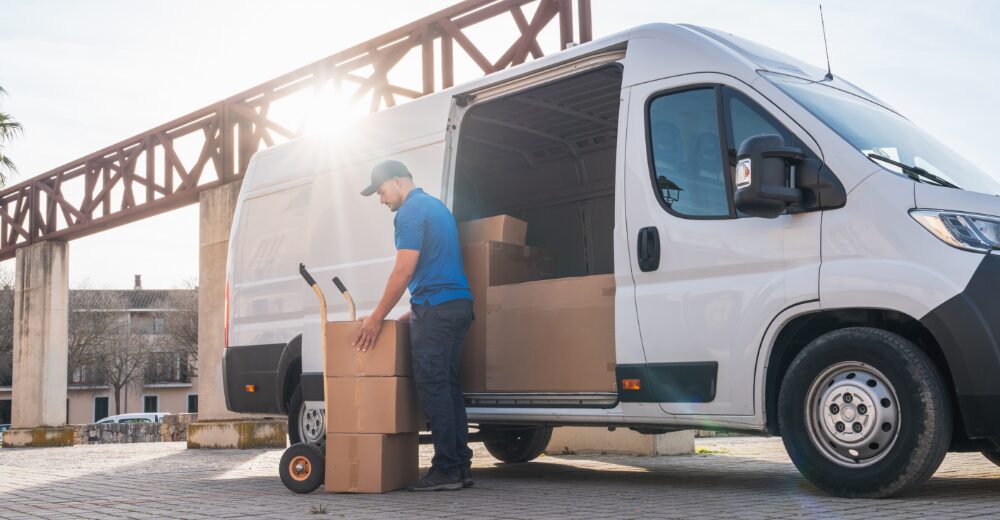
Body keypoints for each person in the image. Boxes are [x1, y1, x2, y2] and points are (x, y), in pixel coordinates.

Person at [355, 159, 475, 492]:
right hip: (456, 306)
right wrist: (414, 311)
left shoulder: (407, 213)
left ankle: (448, 469)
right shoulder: (436, 207)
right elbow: (437, 268)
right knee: (448, 388)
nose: (381, 200)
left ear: (397, 182)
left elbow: (404, 271)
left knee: (434, 388)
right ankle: (460, 467)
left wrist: (376, 318)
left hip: (438, 310)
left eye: (381, 192)